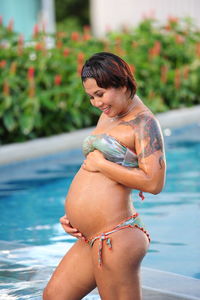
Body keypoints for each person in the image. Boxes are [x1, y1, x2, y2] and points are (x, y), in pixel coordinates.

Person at [43, 52, 166, 300]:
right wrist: (77, 216)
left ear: (122, 83)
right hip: (92, 235)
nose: (97, 102)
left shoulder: (144, 124)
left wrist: (101, 164)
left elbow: (154, 183)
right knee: (55, 296)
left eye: (100, 94)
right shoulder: (110, 114)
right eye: (91, 97)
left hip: (116, 236)